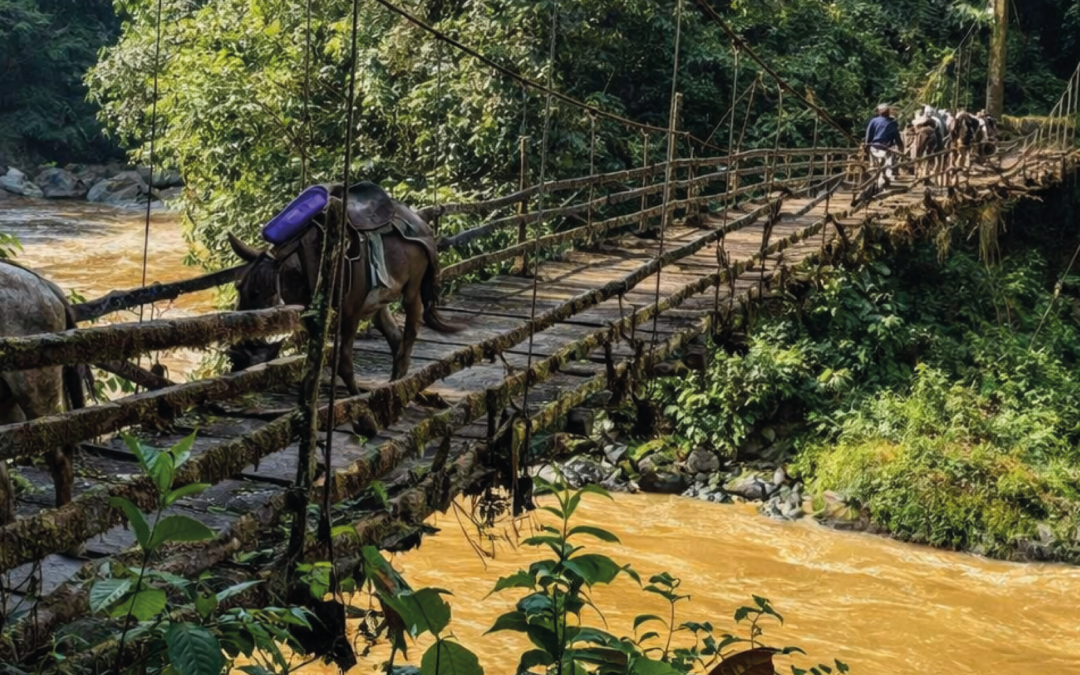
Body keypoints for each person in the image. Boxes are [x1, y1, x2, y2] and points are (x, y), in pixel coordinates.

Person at [864, 104, 902, 187]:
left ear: (879, 112)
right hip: (887, 148)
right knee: (888, 166)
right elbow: (897, 137)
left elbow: (868, 135)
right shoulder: (892, 123)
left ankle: (878, 181)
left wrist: (867, 145)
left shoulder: (873, 121)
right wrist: (900, 147)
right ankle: (885, 180)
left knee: (875, 166)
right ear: (888, 112)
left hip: (874, 147)